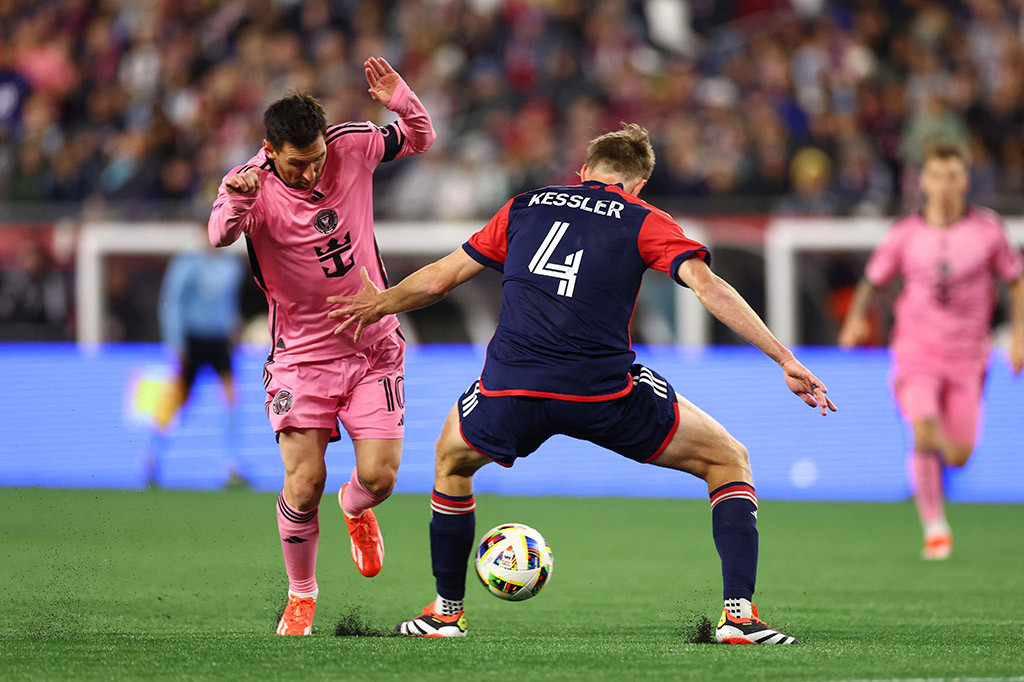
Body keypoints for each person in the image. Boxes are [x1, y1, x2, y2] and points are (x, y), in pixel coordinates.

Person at [328, 123, 836, 644]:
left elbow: (442, 278)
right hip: (601, 393)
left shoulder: (524, 206)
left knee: (451, 460)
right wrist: (783, 357)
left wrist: (380, 303)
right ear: (637, 185)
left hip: (511, 390)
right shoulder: (645, 219)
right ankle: (739, 618)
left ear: (585, 172)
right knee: (728, 459)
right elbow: (708, 286)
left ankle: (444, 613)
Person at [207, 56, 436, 636]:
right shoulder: (248, 183)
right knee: (303, 483)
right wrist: (236, 198)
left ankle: (355, 506)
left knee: (381, 477)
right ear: (271, 149)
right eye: (297, 163)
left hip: (372, 347)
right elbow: (218, 236)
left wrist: (401, 98)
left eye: (316, 159)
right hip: (301, 360)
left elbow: (421, 135)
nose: (311, 172)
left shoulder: (352, 145)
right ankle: (302, 593)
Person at [839, 141, 1023, 560]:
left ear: (965, 181)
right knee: (923, 430)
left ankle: (936, 465)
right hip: (916, 348)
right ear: (923, 181)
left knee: (958, 454)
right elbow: (873, 280)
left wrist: (1018, 336)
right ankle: (935, 527)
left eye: (952, 176)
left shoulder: (987, 231)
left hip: (968, 353)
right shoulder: (905, 234)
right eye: (936, 176)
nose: (944, 186)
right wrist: (854, 320)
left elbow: (1015, 280)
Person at [153, 232, 245, 485]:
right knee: (180, 400)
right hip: (192, 339)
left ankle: (231, 464)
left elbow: (230, 304)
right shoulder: (187, 264)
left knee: (231, 397)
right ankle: (152, 454)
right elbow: (172, 303)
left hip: (218, 340)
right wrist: (176, 342)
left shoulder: (231, 266)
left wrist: (233, 329)